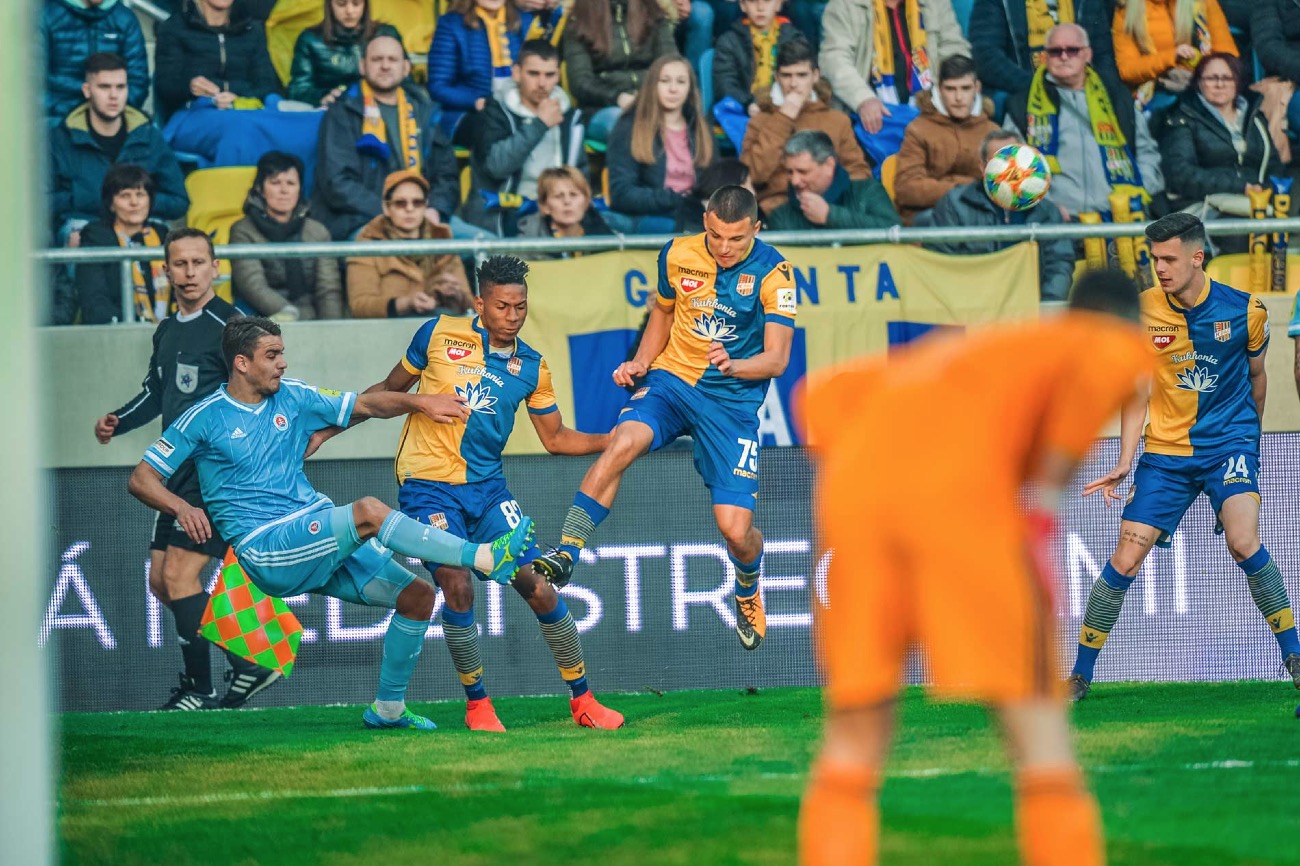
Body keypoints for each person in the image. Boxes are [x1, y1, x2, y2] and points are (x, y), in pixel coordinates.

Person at [797, 269, 1154, 866]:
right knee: (1038, 730)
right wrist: (1037, 542)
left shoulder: (979, 351)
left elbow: (820, 398)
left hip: (853, 492)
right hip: (956, 501)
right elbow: (1053, 479)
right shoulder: (1102, 338)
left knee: (854, 736)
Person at [128, 316, 538, 730]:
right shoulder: (204, 416)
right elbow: (141, 479)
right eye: (272, 355)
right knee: (368, 512)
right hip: (265, 548)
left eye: (282, 353)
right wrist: (182, 508)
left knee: (418, 597)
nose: (283, 363)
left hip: (309, 528)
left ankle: (388, 709)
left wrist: (420, 402)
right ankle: (482, 556)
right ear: (242, 363)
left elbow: (367, 404)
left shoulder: (293, 395)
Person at [313, 256, 625, 730]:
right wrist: (330, 429)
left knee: (539, 585)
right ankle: (478, 705)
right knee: (456, 585)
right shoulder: (437, 333)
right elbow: (388, 390)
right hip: (427, 489)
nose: (513, 316)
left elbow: (557, 438)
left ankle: (583, 701)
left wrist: (618, 440)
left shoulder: (533, 366)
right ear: (480, 303)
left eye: (520, 307)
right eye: (502, 306)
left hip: (488, 492)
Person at [531, 186, 796, 654]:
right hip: (672, 379)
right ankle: (568, 550)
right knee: (624, 440)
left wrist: (735, 364)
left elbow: (776, 359)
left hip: (731, 403)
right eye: (715, 235)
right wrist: (640, 362)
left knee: (736, 532)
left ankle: (748, 582)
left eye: (736, 238)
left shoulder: (776, 274)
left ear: (756, 229)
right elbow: (663, 312)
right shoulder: (676, 253)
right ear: (705, 221)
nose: (724, 247)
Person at [1066, 213, 1300, 701]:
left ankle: (1295, 659)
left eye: (1169, 259)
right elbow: (1137, 390)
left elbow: (1257, 378)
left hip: (1229, 447)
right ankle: (1079, 676)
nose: (1160, 268)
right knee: (1126, 558)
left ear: (1197, 257)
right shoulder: (1140, 311)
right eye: (1154, 259)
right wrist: (1125, 458)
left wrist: (1248, 444)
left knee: (1243, 541)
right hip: (1166, 454)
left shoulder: (1247, 310)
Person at [94, 228, 280, 710]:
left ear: (215, 267)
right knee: (161, 582)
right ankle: (244, 665)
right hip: (173, 473)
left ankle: (202, 688)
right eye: (180, 263)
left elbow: (269, 388)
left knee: (179, 576)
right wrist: (119, 420)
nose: (190, 272)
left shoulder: (232, 326)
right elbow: (157, 392)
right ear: (166, 270)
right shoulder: (167, 329)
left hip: (213, 474)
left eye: (199, 262)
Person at [1003, 23, 1165, 220]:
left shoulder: (1116, 98)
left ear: (1087, 54)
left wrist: (1138, 193)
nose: (1064, 57)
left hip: (1121, 220)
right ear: (1045, 57)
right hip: (1058, 224)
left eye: (1072, 50)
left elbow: (1147, 154)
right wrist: (1046, 208)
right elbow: (1013, 169)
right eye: (1055, 51)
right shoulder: (1023, 104)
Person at [311, 32, 460, 240]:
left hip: (422, 217)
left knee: (494, 248)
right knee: (392, 256)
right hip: (363, 220)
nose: (385, 66)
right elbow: (337, 183)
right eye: (377, 59)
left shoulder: (425, 112)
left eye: (392, 59)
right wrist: (391, 211)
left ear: (406, 68)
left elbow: (447, 175)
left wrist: (435, 209)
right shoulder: (342, 112)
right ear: (362, 66)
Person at [49, 53, 189, 244]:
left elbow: (179, 201)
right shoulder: (61, 138)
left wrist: (137, 202)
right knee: (79, 238)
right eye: (104, 87)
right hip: (84, 222)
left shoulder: (148, 135)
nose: (114, 95)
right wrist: (84, 197)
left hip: (141, 223)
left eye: (120, 87)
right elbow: (39, 202)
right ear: (87, 90)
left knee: (165, 242)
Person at [459, 39, 589, 236]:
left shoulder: (570, 118)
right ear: (517, 73)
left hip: (559, 214)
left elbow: (580, 174)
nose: (542, 83)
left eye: (550, 75)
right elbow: (497, 167)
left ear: (558, 76)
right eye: (534, 74)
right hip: (507, 214)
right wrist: (540, 124)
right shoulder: (495, 112)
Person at [926, 130, 1075, 300]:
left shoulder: (1046, 211)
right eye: (1000, 163)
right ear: (983, 168)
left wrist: (1048, 305)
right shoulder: (955, 204)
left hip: (1030, 307)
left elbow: (1059, 263)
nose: (1011, 172)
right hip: (972, 305)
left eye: (1016, 161)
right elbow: (940, 262)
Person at [741, 36, 871, 216]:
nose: (794, 84)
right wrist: (783, 117)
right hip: (776, 211)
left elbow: (859, 173)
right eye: (786, 75)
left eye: (802, 75)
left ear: (815, 76)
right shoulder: (760, 121)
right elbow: (754, 176)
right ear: (776, 77)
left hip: (829, 207)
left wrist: (832, 202)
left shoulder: (837, 120)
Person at [1160, 53, 1286, 229]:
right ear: (1199, 82)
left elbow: (1274, 165)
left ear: (1237, 82)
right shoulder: (1181, 117)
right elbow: (1180, 174)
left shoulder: (1255, 117)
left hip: (1256, 202)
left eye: (1227, 78)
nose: (1220, 84)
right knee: (1241, 231)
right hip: (1201, 205)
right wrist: (1240, 186)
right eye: (1212, 78)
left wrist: (1266, 188)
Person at [818, 0, 970, 135]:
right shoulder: (845, 5)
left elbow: (954, 50)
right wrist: (863, 99)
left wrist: (948, 95)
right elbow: (834, 58)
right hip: (870, 121)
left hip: (931, 112)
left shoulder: (935, 3)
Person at [229, 151, 345, 321]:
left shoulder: (317, 231)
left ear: (299, 189)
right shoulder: (243, 230)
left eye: (291, 183)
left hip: (309, 314)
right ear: (260, 188)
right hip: (259, 314)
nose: (284, 190)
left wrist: (331, 328)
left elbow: (328, 289)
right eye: (275, 183)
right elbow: (252, 285)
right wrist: (289, 315)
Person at [606, 54, 715, 233]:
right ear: (652, 85)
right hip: (648, 217)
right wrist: (674, 199)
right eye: (665, 81)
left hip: (693, 215)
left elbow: (715, 183)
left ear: (690, 88)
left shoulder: (701, 128)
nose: (673, 89)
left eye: (681, 82)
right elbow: (622, 194)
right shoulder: (628, 127)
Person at [348, 170, 473, 318]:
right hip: (388, 329)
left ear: (426, 206)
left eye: (417, 203)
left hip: (437, 326)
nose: (409, 209)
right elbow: (360, 305)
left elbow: (470, 303)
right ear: (386, 208)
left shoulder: (443, 241)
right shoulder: (367, 243)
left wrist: (456, 296)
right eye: (400, 203)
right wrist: (405, 303)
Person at [893, 54, 999, 225]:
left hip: (981, 215)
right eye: (950, 89)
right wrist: (965, 189)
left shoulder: (992, 130)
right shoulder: (918, 129)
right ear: (939, 90)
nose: (958, 97)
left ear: (977, 88)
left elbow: (1004, 184)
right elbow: (907, 189)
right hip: (929, 216)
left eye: (965, 88)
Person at [561, 0, 677, 142]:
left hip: (650, 100)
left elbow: (671, 66)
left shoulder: (653, 12)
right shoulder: (579, 20)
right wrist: (618, 98)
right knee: (627, 125)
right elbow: (580, 82)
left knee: (685, 117)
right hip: (602, 108)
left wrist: (649, 97)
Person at [73, 166, 174, 325]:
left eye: (140, 195)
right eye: (125, 195)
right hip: (117, 331)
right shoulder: (96, 237)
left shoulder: (163, 235)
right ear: (111, 204)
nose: (134, 202)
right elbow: (94, 299)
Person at [153, 0, 282, 121]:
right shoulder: (174, 29)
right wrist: (190, 86)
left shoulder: (252, 30)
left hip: (244, 113)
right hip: (192, 116)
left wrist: (236, 97)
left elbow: (266, 85)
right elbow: (166, 86)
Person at [967, 0, 1119, 98]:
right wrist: (1036, 88)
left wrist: (1102, 92)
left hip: (1083, 94)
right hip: (1024, 94)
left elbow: (1103, 55)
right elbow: (985, 55)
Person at [1112, 0, 1237, 115]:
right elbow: (1127, 70)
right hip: (1158, 92)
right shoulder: (1126, 10)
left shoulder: (1203, 3)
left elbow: (1228, 56)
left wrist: (1204, 72)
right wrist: (1172, 57)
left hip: (1206, 85)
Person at [41, 0, 150, 126]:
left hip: (111, 120)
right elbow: (31, 83)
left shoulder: (125, 19)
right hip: (57, 119)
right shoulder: (46, 16)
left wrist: (108, 113)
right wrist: (76, 116)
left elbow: (138, 81)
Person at [428, 0, 524, 141]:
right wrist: (476, 101)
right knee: (495, 128)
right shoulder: (451, 24)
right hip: (467, 113)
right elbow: (438, 87)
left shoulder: (522, 20)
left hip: (514, 106)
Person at [764, 130, 900, 229]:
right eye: (790, 172)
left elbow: (894, 229)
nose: (795, 181)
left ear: (829, 165)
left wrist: (830, 216)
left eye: (803, 172)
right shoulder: (782, 216)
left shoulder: (868, 193)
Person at [288, 0, 403, 107]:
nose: (349, 11)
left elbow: (406, 83)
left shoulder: (386, 35)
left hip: (380, 108)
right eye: (341, 3)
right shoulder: (310, 39)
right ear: (330, 5)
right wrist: (323, 96)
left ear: (365, 5)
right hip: (331, 111)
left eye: (356, 3)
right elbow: (297, 90)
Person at [712, 0, 803, 116]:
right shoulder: (729, 41)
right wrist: (747, 104)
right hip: (745, 110)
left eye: (767, 1)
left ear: (778, 4)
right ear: (743, 5)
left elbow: (803, 78)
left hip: (786, 107)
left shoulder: (794, 38)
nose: (760, 8)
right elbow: (725, 83)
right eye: (752, 1)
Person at [516, 166, 615, 247]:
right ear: (545, 206)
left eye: (573, 195)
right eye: (558, 196)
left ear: (586, 202)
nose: (567, 201)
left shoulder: (607, 238)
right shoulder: (525, 246)